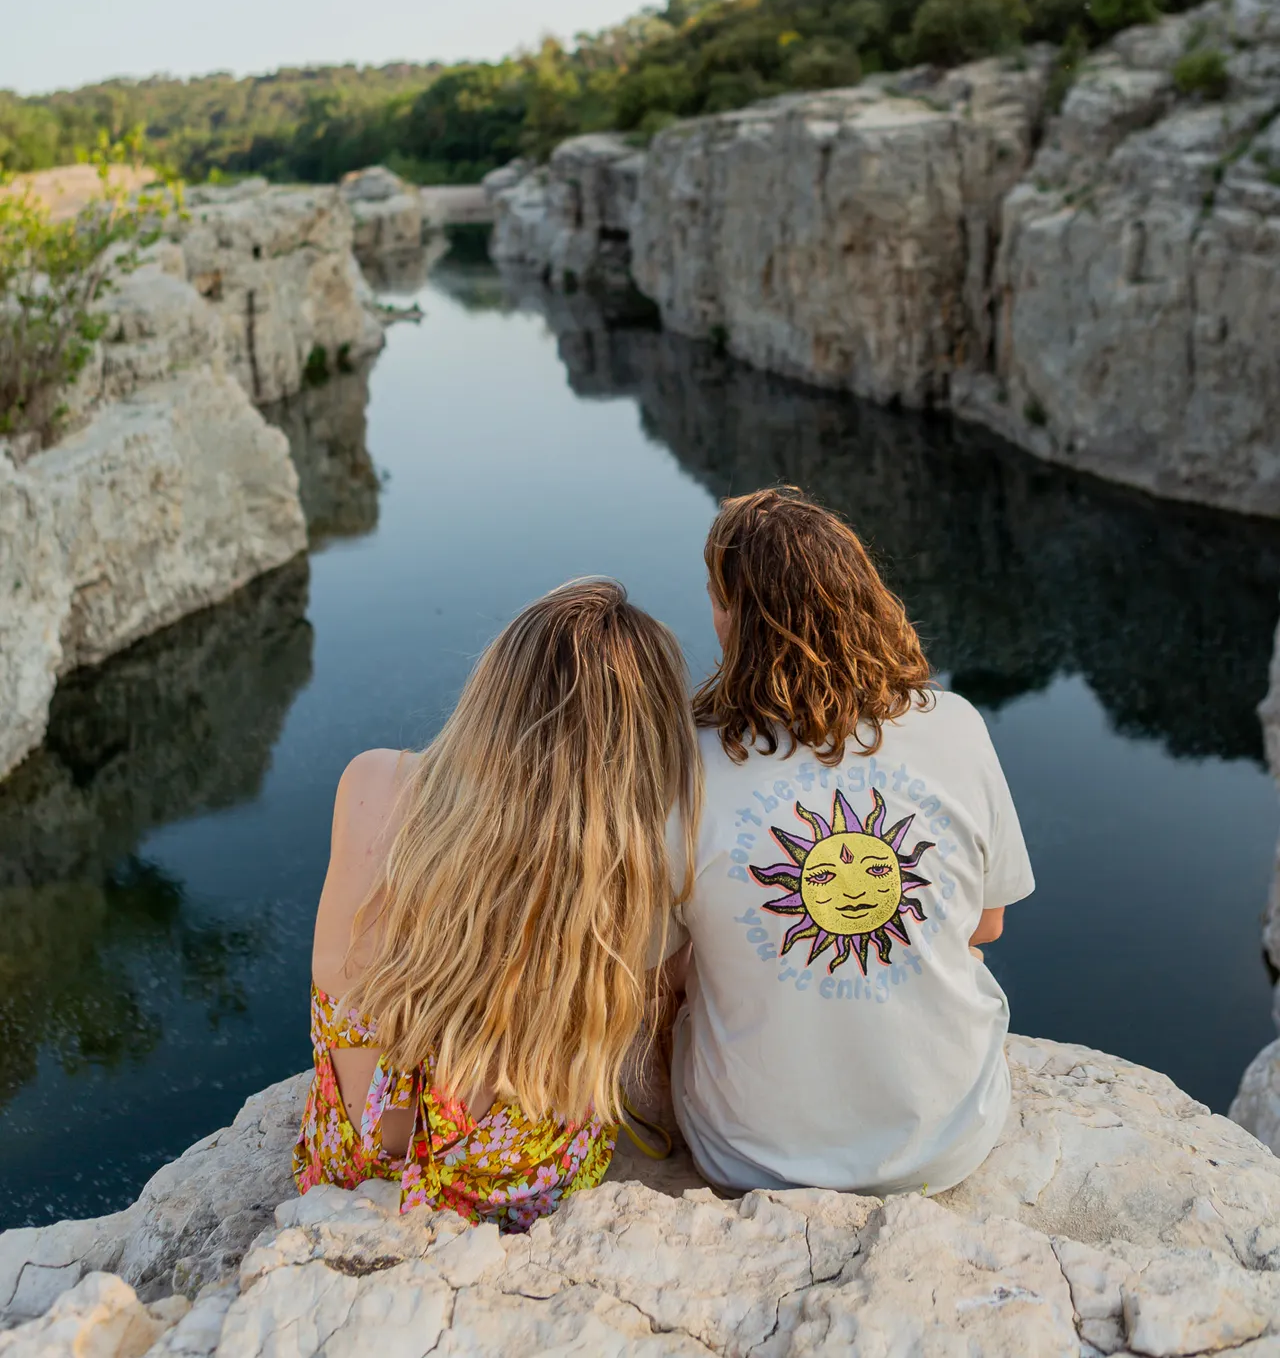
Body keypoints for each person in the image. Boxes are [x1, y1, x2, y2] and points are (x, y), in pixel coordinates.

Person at [293, 578, 701, 1231]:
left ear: (493, 687)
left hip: (360, 1164)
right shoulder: (636, 867)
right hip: (525, 1187)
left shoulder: (372, 782)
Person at [667, 486, 1034, 1197]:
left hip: (749, 1157)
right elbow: (987, 923)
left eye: (716, 596)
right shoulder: (955, 724)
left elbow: (655, 967)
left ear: (736, 616)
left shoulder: (685, 765)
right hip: (951, 1136)